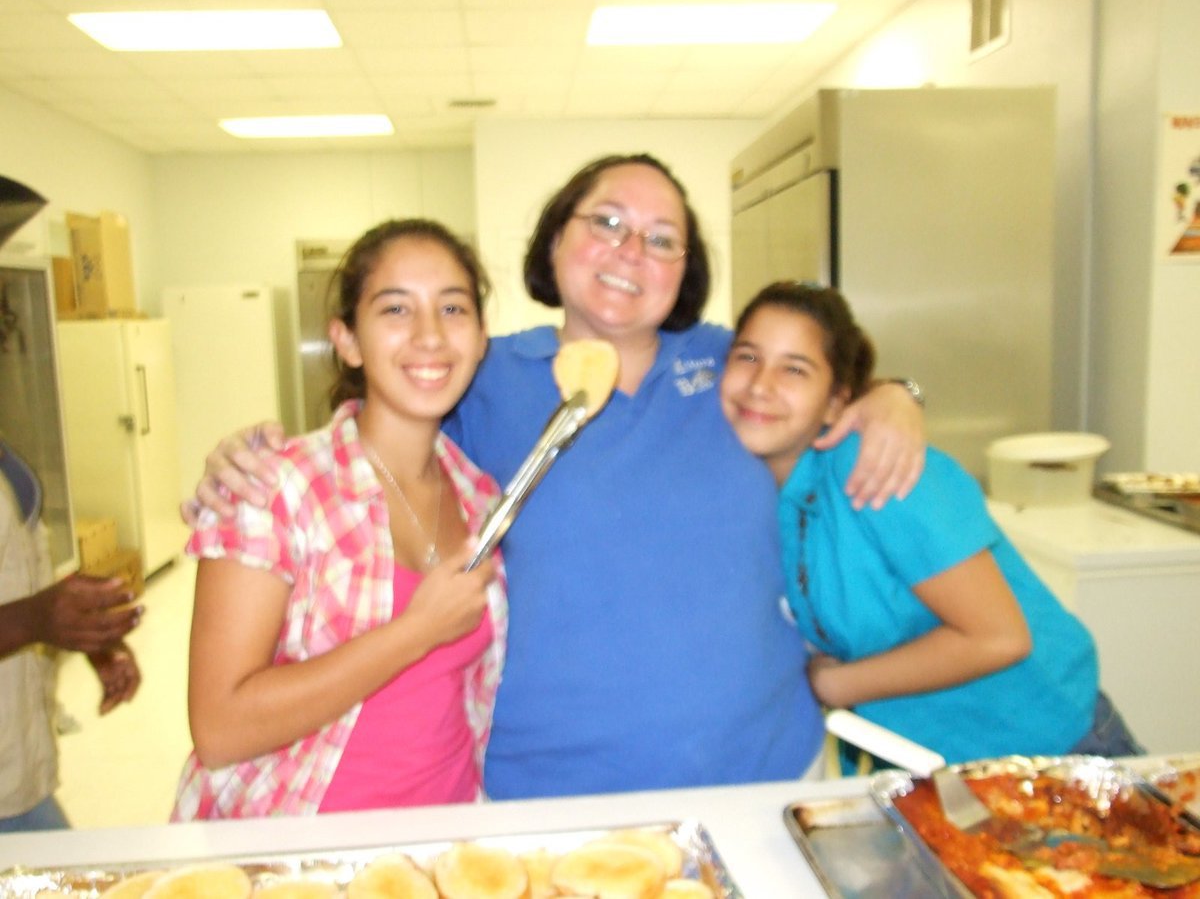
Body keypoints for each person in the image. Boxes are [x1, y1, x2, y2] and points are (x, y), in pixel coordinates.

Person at [184, 153, 926, 799]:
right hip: (550, 797)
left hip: (763, 773)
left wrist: (896, 395)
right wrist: (241, 456)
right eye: (606, 222)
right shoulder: (480, 379)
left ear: (686, 269)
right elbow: (375, 432)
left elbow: (829, 392)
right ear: (555, 240)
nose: (630, 250)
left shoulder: (733, 365)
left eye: (662, 239)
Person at [718, 281, 1143, 767]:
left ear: (837, 402)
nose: (760, 385)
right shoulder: (767, 490)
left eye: (795, 369)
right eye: (748, 357)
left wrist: (832, 684)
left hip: (1048, 750)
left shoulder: (873, 465)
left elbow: (998, 637)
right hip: (929, 763)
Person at [171, 219, 506, 820]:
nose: (430, 335)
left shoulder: (481, 498)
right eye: (396, 309)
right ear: (347, 340)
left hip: (451, 834)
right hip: (308, 846)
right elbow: (220, 728)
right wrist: (417, 630)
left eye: (453, 308)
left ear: (482, 339)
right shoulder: (273, 487)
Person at [1, 436, 142, 832]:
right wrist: (33, 619)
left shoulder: (8, 458)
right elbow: (27, 612)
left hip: (21, 777)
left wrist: (81, 629)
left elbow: (20, 583)